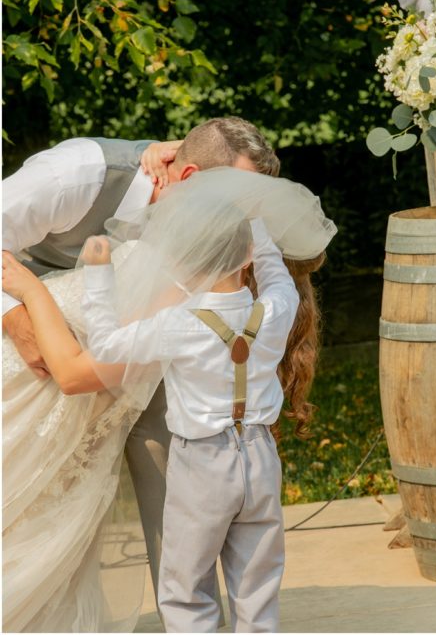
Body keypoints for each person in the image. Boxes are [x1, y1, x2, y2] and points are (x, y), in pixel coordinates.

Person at [2, 169, 335, 631]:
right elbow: (276, 275)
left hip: (202, 464)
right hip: (260, 458)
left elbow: (106, 347)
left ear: (179, 265)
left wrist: (99, 277)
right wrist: (257, 227)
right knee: (257, 583)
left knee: (186, 588)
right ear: (247, 256)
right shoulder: (275, 311)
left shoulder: (177, 324)